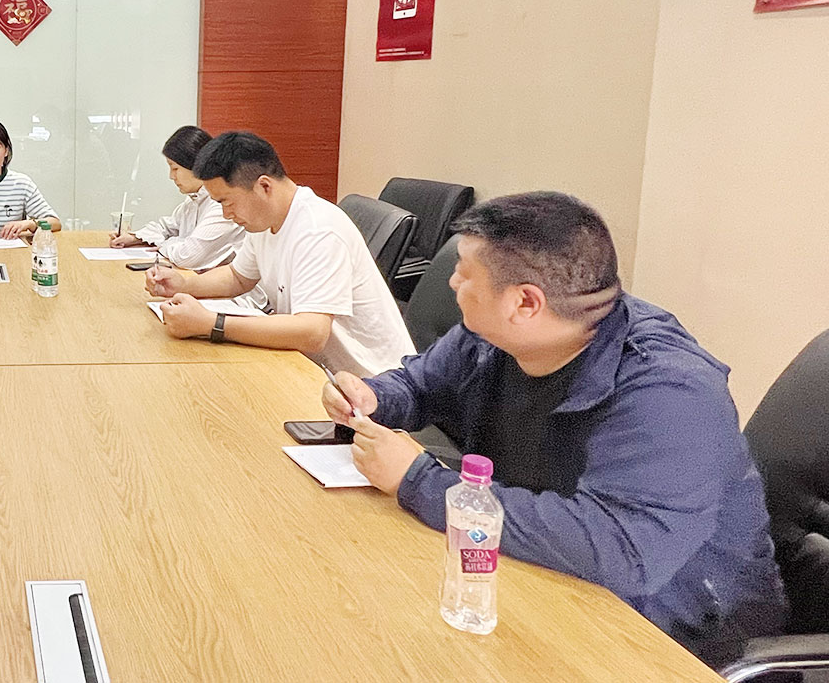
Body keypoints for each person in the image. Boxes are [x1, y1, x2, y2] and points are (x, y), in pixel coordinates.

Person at [321, 192, 785, 661]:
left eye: (464, 271)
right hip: (547, 572)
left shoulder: (669, 391)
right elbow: (422, 385)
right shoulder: (499, 335)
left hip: (674, 628)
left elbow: (622, 550)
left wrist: (419, 481)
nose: (453, 281)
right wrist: (375, 397)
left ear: (525, 302)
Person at [144, 131, 413, 375]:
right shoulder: (263, 220)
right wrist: (184, 285)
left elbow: (312, 333)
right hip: (316, 371)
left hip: (376, 387)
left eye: (227, 201)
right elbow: (238, 278)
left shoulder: (318, 229)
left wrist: (211, 324)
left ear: (264, 186)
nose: (226, 214)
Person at [110, 125, 245, 270]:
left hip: (215, 282)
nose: (171, 176)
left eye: (175, 168)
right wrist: (135, 238)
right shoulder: (195, 199)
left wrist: (164, 243)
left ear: (196, 165)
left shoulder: (222, 204)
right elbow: (166, 227)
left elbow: (187, 257)